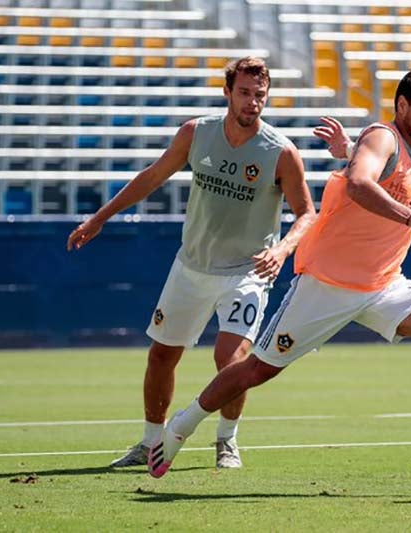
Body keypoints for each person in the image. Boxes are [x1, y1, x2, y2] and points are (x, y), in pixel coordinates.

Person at [146, 69, 411, 479]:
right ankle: (180, 429)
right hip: (326, 285)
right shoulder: (383, 136)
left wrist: (348, 148)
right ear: (401, 106)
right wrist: (410, 215)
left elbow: (372, 167)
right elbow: (358, 184)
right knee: (258, 369)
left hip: (383, 284)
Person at [67, 57, 317, 468]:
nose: (252, 102)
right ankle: (150, 442)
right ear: (227, 92)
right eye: (244, 93)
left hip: (246, 272)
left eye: (260, 95)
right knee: (161, 355)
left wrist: (282, 249)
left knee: (231, 359)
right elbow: (151, 176)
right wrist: (100, 217)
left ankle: (227, 440)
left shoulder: (280, 152)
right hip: (191, 266)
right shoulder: (196, 133)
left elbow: (307, 212)